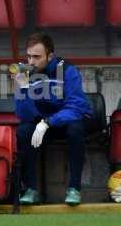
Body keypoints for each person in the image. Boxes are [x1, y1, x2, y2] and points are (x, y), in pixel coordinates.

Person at [14, 32, 93, 206]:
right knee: (23, 131)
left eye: (36, 57)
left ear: (50, 56)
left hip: (67, 121)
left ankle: (74, 189)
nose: (31, 62)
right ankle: (31, 189)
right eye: (28, 56)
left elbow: (76, 107)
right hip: (43, 122)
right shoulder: (25, 73)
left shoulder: (67, 70)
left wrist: (48, 122)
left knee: (75, 129)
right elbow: (24, 114)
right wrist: (24, 89)